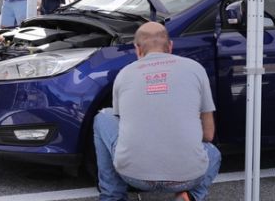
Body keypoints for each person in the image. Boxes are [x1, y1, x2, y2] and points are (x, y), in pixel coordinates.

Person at [93, 22, 221, 201]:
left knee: (103, 117)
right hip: (188, 177)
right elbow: (208, 135)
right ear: (170, 46)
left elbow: (124, 124)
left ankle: (112, 196)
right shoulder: (195, 69)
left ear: (137, 49)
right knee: (213, 153)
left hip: (133, 175)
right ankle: (191, 197)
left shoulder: (124, 74)